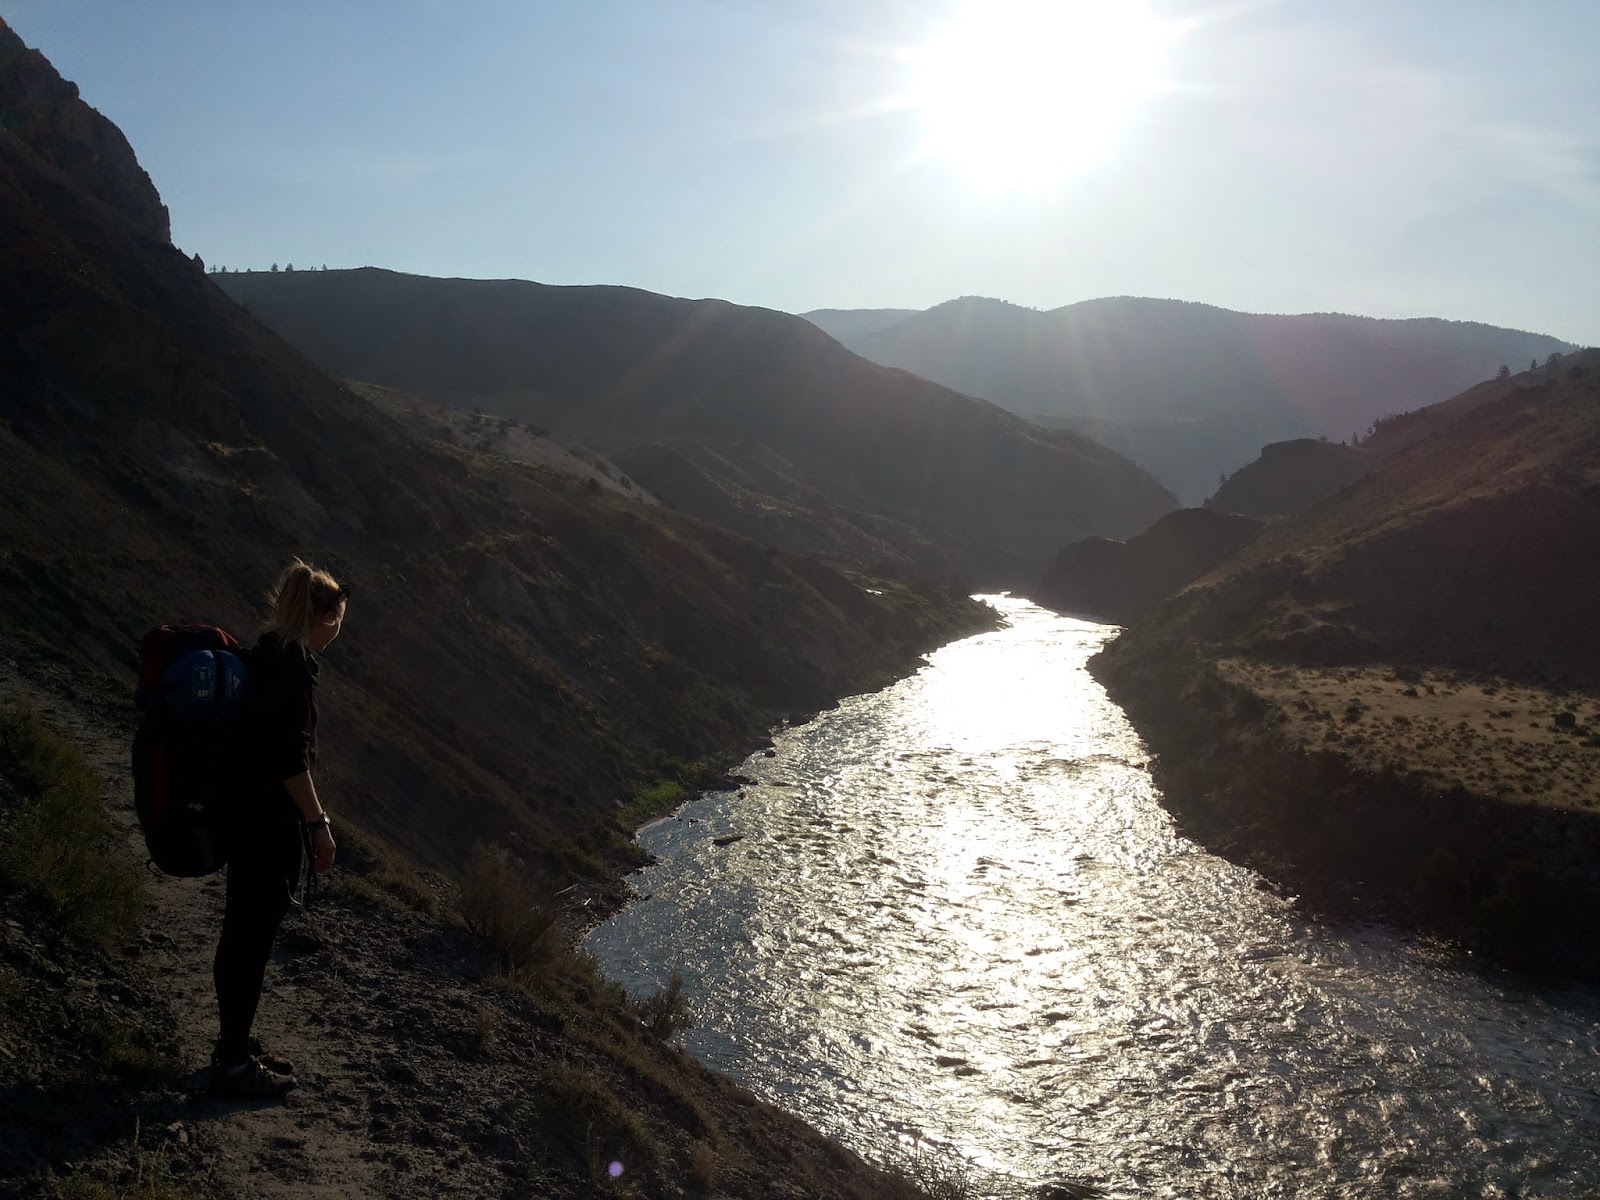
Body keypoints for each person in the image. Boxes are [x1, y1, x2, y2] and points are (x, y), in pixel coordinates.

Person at [210, 559, 346, 1099]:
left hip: (243, 814)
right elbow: (291, 760)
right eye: (338, 617)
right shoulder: (291, 670)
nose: (339, 627)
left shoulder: (265, 654)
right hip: (267, 823)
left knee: (242, 934)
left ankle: (235, 1044)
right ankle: (234, 1064)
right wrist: (319, 824)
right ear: (324, 617)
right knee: (250, 939)